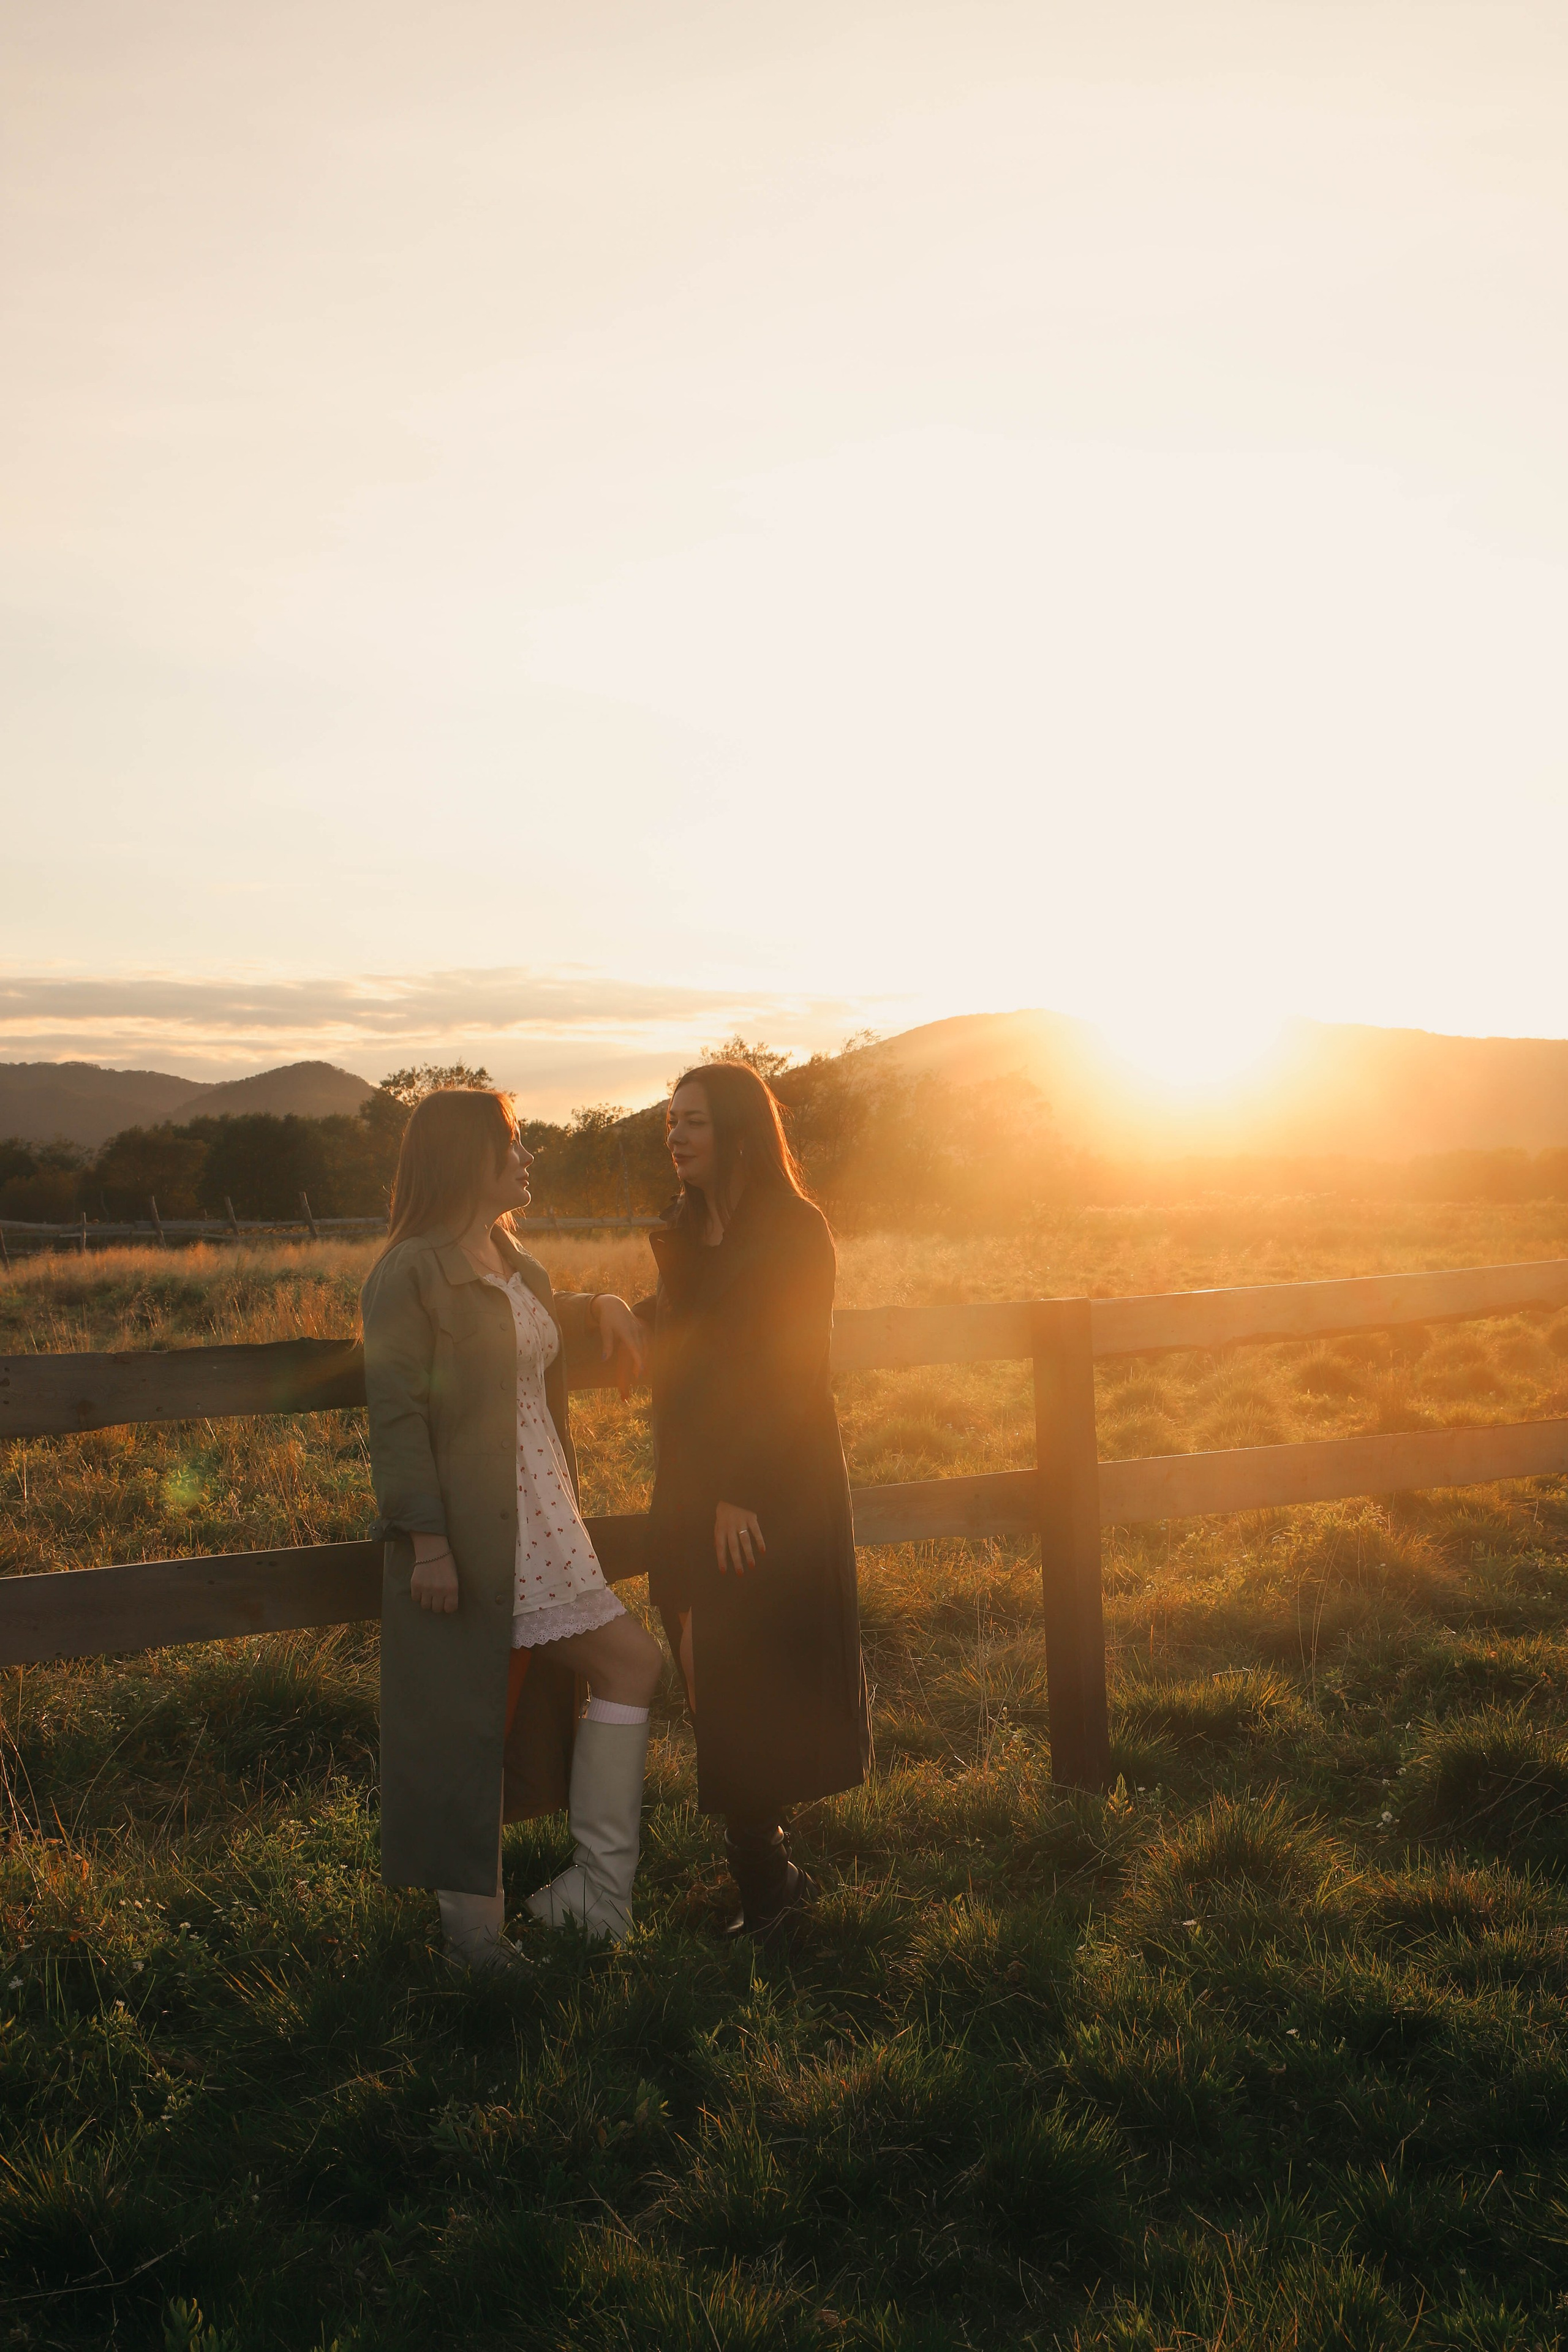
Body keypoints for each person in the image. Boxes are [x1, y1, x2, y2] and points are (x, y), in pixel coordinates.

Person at [361, 1087, 663, 1970]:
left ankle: (594, 1897)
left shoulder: (513, 1261)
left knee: (632, 1666)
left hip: (548, 1523)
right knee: (473, 1722)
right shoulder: (409, 1272)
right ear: (467, 1159)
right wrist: (428, 1543)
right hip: (471, 1536)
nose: (528, 1156)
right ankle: (474, 1942)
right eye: (513, 1143)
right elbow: (397, 1416)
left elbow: (527, 1327)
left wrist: (600, 1298)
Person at [638, 1060, 869, 1936]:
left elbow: (790, 1365)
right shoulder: (688, 1228)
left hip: (770, 1483)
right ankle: (769, 1870)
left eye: (692, 1120)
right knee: (701, 1652)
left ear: (738, 1129)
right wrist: (618, 1316)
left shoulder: (793, 1228)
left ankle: (765, 1886)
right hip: (689, 1479)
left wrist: (740, 1491)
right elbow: (686, 1330)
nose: (675, 1136)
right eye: (670, 1121)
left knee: (743, 1669)